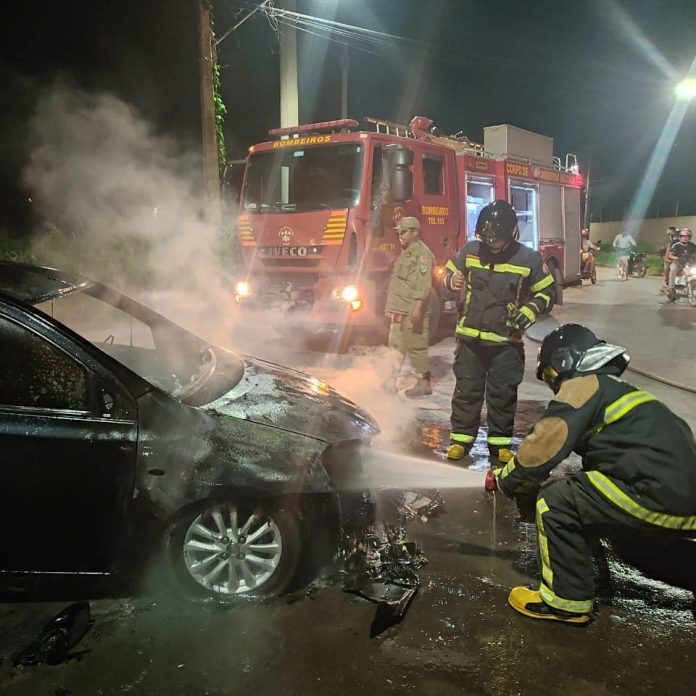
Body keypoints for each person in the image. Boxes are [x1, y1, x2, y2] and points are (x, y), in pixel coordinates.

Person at [490, 323, 696, 625]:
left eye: (549, 375)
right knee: (631, 543)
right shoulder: (615, 390)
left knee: (555, 501)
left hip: (654, 490)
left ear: (564, 361)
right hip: (679, 496)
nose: (552, 384)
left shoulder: (584, 384)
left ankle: (567, 600)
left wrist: (504, 480)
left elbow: (542, 447)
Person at [442, 200, 556, 464]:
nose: (492, 245)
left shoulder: (529, 259)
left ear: (512, 233)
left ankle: (500, 445)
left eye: (497, 240)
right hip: (470, 339)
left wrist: (529, 310)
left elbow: (548, 292)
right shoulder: (471, 251)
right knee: (466, 391)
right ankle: (461, 440)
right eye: (488, 239)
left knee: (502, 394)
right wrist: (451, 280)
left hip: (507, 343)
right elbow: (448, 272)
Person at [385, 216, 436, 398]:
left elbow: (423, 284)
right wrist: (391, 308)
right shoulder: (406, 252)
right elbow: (399, 284)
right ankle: (389, 384)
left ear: (415, 232)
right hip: (400, 309)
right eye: (399, 232)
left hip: (412, 309)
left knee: (416, 346)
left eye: (404, 232)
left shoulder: (422, 254)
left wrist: (417, 308)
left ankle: (424, 383)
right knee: (396, 346)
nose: (401, 235)